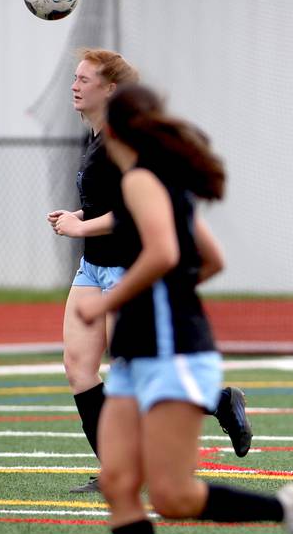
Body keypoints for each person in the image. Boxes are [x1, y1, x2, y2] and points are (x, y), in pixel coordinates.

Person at [75, 84, 293, 534]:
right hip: (139, 351)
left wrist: (111, 303)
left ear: (112, 130)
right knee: (118, 482)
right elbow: (210, 260)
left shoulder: (141, 182)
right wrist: (167, 290)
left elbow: (165, 254)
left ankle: (285, 509)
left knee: (173, 497)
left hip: (171, 350)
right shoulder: (158, 180)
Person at [46, 49, 252, 493]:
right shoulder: (99, 137)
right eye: (75, 78)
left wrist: (81, 224)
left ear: (112, 90)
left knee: (133, 375)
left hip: (126, 266)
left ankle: (216, 400)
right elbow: (110, 204)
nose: (75, 85)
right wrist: (80, 215)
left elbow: (135, 212)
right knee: (79, 367)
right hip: (93, 266)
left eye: (85, 79)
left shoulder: (129, 144)